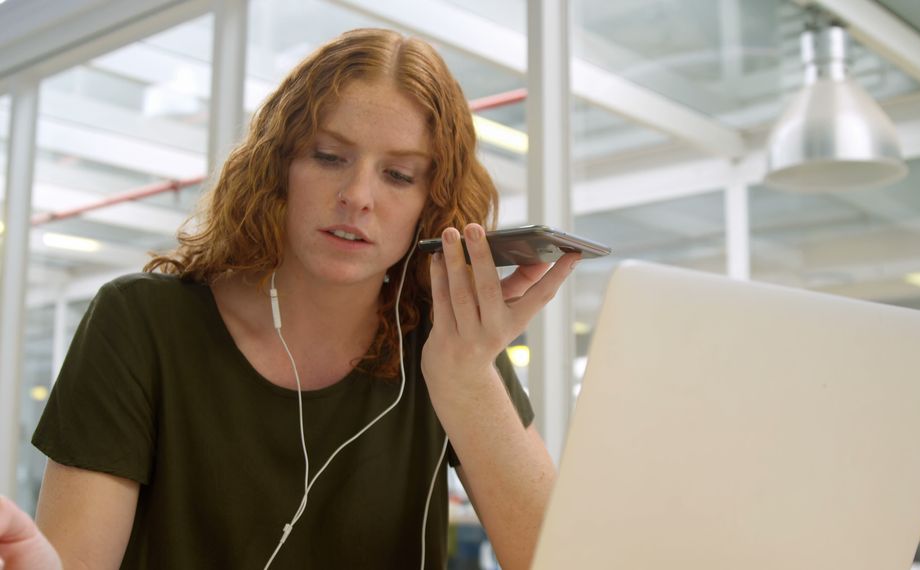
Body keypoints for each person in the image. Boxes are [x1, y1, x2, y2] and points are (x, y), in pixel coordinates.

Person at [25, 28, 578, 569]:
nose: (357, 196)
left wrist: (467, 377)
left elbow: (559, 561)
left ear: (431, 205)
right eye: (329, 156)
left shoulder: (451, 343)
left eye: (398, 175)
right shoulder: (140, 323)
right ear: (278, 167)